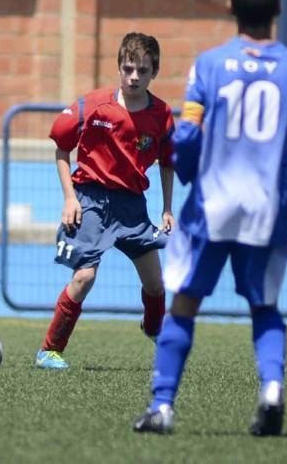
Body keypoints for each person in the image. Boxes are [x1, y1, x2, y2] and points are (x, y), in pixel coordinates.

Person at [133, 0, 287, 436]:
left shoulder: (209, 65)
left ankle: (163, 407)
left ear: (230, 8)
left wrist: (186, 172)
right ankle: (271, 390)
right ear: (279, 10)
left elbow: (186, 133)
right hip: (269, 210)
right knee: (265, 307)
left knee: (184, 303)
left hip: (212, 207)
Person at [35, 32, 175, 370]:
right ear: (118, 68)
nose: (134, 77)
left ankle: (155, 329)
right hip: (91, 200)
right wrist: (70, 198)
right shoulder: (93, 104)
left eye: (142, 71)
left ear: (154, 72)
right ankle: (49, 350)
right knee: (84, 278)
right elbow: (61, 148)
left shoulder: (162, 114)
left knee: (155, 284)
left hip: (132, 206)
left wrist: (167, 207)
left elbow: (168, 162)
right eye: (128, 69)